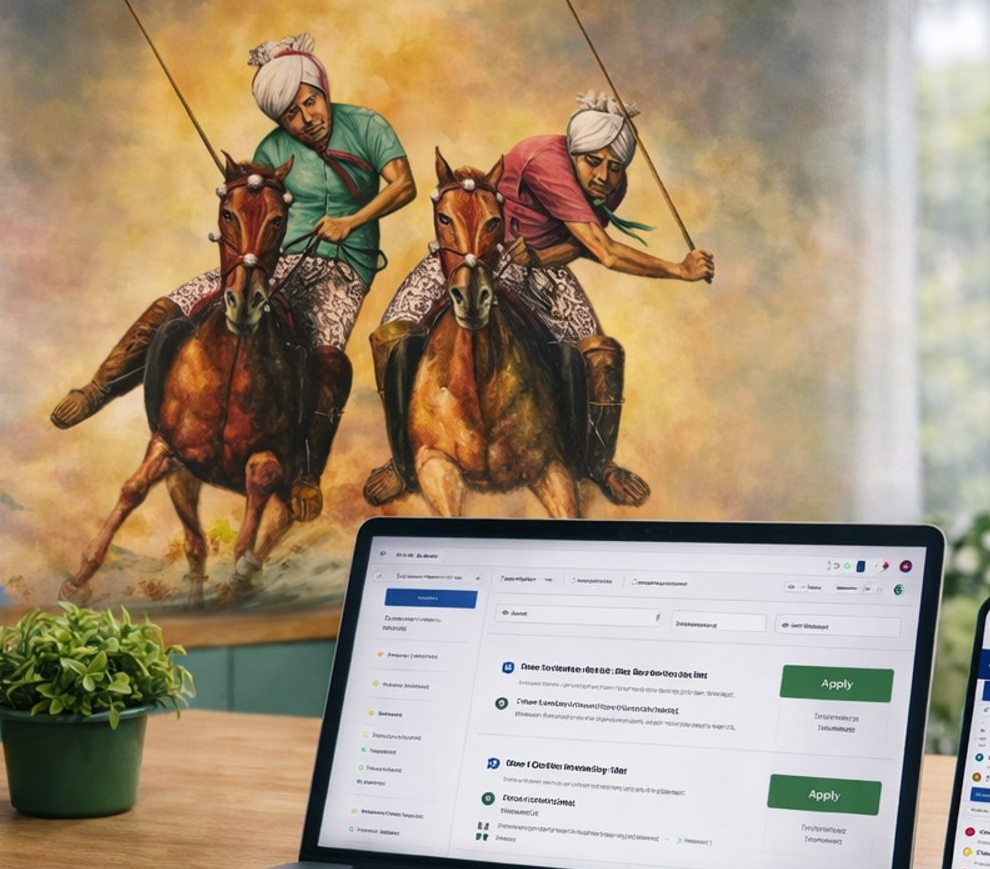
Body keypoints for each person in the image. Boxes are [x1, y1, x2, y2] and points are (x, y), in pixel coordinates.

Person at [51, 34, 415, 521]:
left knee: (328, 360)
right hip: (274, 258)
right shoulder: (272, 148)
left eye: (310, 102)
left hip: (342, 266)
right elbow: (254, 206)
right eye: (291, 114)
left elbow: (404, 185)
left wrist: (351, 222)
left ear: (323, 90)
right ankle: (97, 388)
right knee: (179, 303)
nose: (307, 118)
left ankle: (307, 473)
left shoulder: (367, 125)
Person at [363, 92, 714, 508]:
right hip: (477, 252)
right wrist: (678, 270)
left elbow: (580, 246)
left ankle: (598, 464)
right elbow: (605, 252)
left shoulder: (610, 186)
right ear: (574, 151)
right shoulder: (547, 163)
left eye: (614, 166)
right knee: (390, 339)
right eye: (593, 161)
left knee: (600, 356)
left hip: (536, 265)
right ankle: (403, 464)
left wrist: (538, 259)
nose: (603, 175)